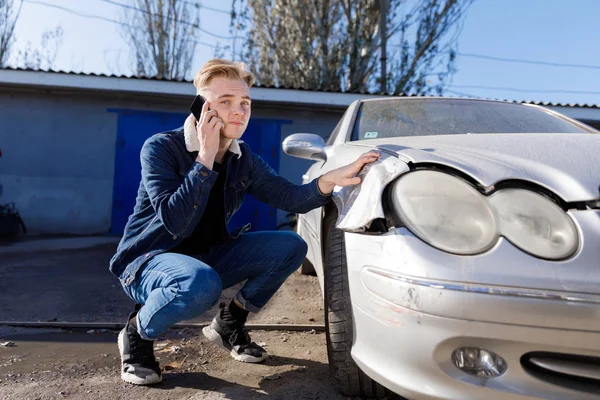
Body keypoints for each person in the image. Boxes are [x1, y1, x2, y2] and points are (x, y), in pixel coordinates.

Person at [109, 58, 380, 385]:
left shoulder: (244, 158)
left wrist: (330, 180)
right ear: (201, 108)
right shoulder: (162, 148)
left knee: (291, 246)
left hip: (207, 258)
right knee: (199, 283)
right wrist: (205, 158)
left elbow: (290, 197)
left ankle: (230, 322)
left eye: (245, 103)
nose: (239, 111)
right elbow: (174, 221)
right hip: (147, 261)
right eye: (225, 102)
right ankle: (137, 333)